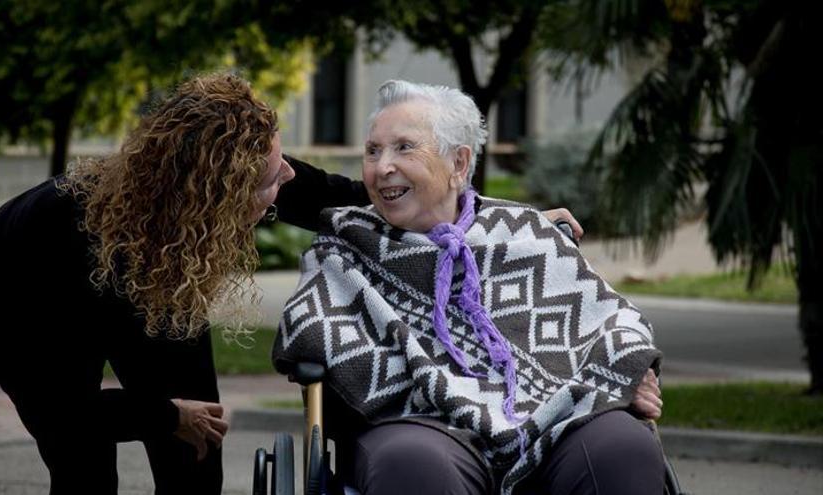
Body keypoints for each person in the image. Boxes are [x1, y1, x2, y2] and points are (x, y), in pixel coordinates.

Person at [0, 72, 582, 495]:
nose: (284, 175)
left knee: (198, 436)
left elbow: (352, 200)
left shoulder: (253, 168)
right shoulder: (56, 242)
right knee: (84, 467)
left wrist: (502, 217)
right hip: (26, 298)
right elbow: (62, 408)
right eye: (268, 178)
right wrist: (157, 414)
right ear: (215, 195)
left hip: (147, 279)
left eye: (281, 161)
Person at [273, 80, 665, 495]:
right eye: (373, 151)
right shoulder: (345, 246)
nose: (381, 166)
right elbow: (311, 328)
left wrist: (622, 368)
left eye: (404, 147)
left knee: (623, 447)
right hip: (418, 422)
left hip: (554, 419)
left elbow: (612, 320)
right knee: (413, 464)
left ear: (459, 164)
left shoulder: (524, 233)